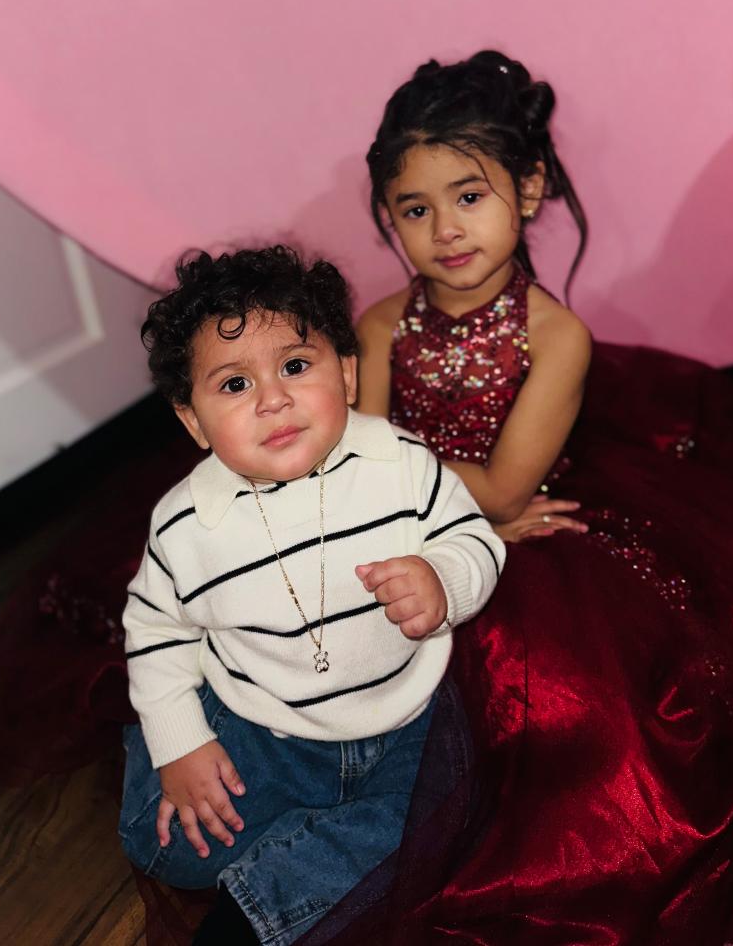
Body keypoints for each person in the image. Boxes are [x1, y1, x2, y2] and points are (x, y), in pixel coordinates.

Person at [347, 50, 733, 943]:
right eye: (414, 209)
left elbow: (504, 488)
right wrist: (397, 479)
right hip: (404, 533)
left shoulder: (555, 335)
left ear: (529, 188)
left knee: (563, 714)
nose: (445, 230)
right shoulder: (379, 326)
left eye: (469, 195)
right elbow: (358, 472)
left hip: (533, 535)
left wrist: (398, 468)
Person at [117, 244, 505, 945]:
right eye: (235, 384)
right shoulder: (186, 524)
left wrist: (444, 579)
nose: (273, 399)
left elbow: (475, 539)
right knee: (165, 842)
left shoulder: (399, 463)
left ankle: (261, 905)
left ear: (347, 374)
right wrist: (181, 744)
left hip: (405, 719)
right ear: (194, 421)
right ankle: (307, 840)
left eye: (296, 366)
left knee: (446, 812)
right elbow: (156, 632)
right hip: (265, 725)